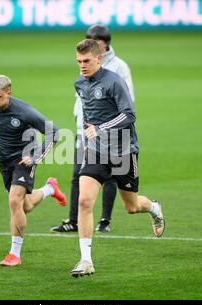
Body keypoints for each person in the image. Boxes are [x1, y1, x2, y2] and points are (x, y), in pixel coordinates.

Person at [70, 40, 165, 278]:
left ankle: (153, 207)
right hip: (96, 151)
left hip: (123, 151)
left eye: (87, 61)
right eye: (79, 61)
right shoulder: (79, 83)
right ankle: (85, 260)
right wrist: (88, 132)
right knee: (84, 202)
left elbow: (129, 115)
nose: (82, 66)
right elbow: (89, 114)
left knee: (132, 207)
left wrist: (100, 128)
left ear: (98, 59)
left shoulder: (114, 81)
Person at [0, 75, 67, 267]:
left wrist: (35, 157)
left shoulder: (24, 112)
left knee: (14, 201)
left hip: (25, 159)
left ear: (8, 93)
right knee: (24, 206)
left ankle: (14, 254)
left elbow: (54, 132)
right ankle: (50, 189)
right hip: (4, 162)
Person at [51, 24, 135, 234]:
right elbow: (83, 100)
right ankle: (74, 221)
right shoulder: (83, 69)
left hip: (116, 137)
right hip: (87, 132)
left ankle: (105, 219)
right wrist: (83, 123)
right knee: (79, 174)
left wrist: (104, 127)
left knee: (117, 185)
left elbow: (128, 105)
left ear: (105, 46)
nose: (91, 47)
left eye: (97, 44)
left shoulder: (118, 67)